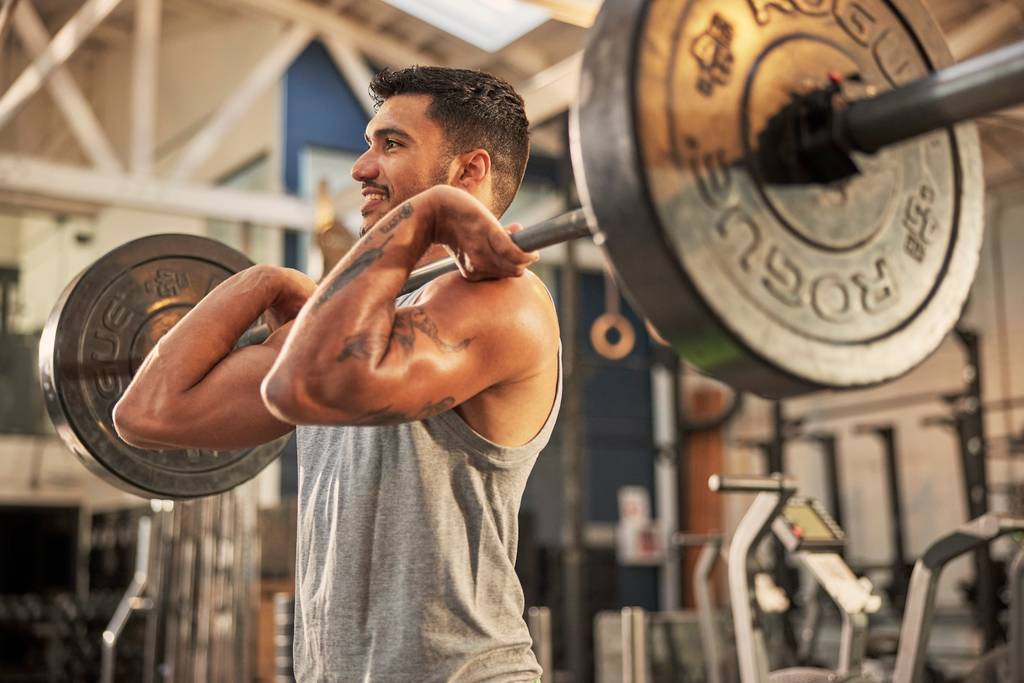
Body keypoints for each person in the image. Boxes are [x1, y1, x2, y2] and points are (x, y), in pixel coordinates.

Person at [113, 66, 562, 682]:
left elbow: (307, 385)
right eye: (368, 143)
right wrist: (261, 281)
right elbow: (148, 415)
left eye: (391, 144)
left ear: (470, 171)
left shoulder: (503, 301)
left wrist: (425, 215)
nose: (361, 167)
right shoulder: (345, 326)